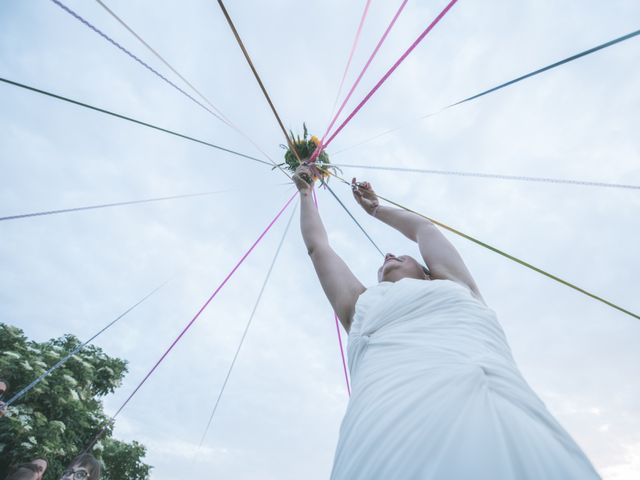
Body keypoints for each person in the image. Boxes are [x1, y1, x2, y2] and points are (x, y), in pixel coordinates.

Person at [292, 164, 600, 479]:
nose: (387, 255)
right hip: (387, 410)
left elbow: (425, 230)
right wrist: (305, 193)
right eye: (383, 264)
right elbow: (318, 248)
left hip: (488, 387)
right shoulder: (359, 306)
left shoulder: (455, 284)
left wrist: (377, 210)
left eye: (401, 255)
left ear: (428, 271)